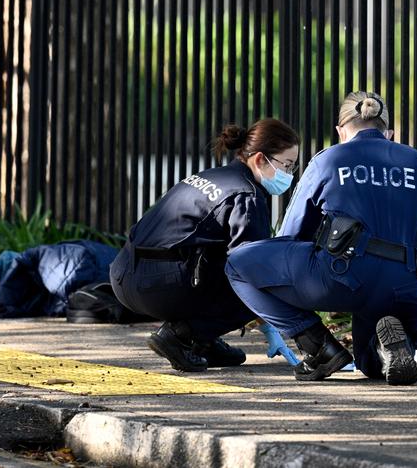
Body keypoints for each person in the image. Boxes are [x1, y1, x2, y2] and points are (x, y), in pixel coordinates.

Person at [225, 92, 417, 384]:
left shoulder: (329, 159)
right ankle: (392, 345)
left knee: (236, 265)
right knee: (371, 365)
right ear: (388, 131)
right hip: (406, 285)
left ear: (340, 131)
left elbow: (292, 235)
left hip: (345, 277)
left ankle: (319, 347)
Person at [109, 118, 300, 372]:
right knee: (251, 284)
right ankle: (180, 336)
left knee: (229, 263)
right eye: (286, 165)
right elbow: (254, 269)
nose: (289, 174)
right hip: (155, 285)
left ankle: (203, 342)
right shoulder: (246, 195)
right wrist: (274, 322)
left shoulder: (212, 176)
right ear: (259, 160)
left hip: (125, 274)